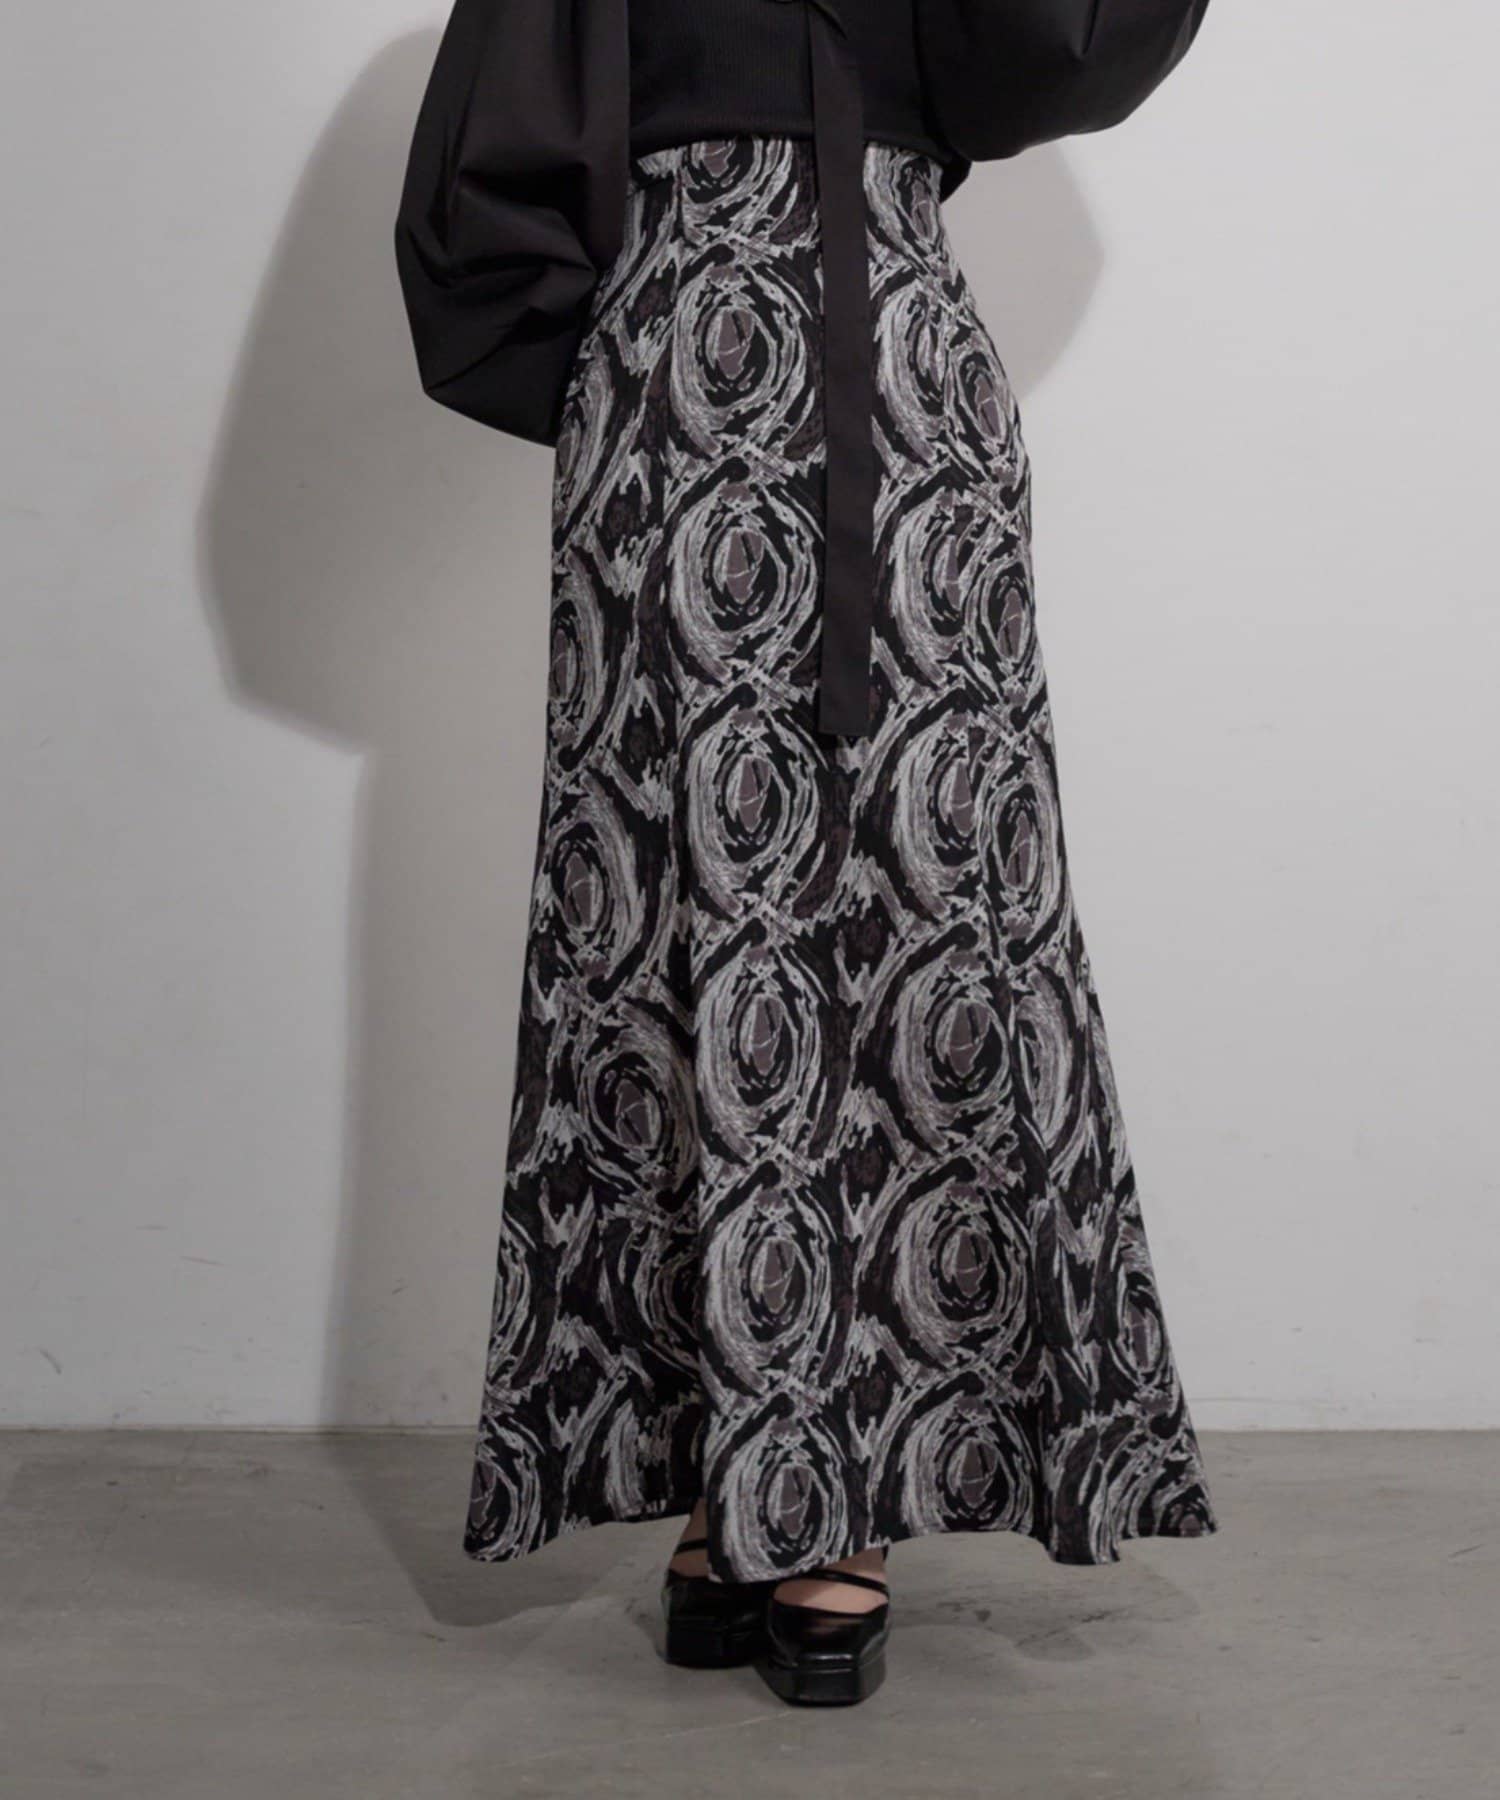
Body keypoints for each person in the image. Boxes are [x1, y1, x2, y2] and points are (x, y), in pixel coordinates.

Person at [395, 0, 1216, 1709]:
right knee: (669, 921)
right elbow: (487, 178)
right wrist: (642, 347)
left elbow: (1064, 49)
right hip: (674, 392)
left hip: (903, 389)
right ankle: (739, 1476)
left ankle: (844, 1490)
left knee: (926, 922)